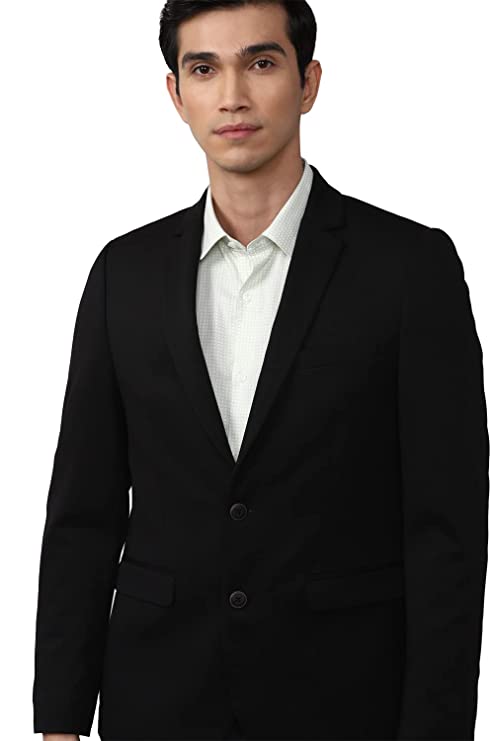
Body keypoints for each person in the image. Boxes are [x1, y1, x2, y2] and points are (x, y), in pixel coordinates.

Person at [33, 1, 489, 740]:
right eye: (203, 69)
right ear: (176, 94)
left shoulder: (410, 270)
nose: (232, 95)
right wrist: (59, 717)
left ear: (308, 83)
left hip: (346, 702)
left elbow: (448, 532)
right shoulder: (124, 274)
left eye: (261, 63)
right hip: (157, 700)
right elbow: (82, 514)